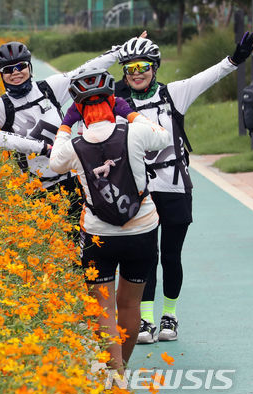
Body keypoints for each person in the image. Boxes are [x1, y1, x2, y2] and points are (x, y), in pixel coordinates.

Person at [114, 33, 253, 344]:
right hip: (140, 192)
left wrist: (236, 59)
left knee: (171, 255)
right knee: (146, 256)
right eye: (130, 67)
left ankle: (170, 316)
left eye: (143, 66)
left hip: (175, 187)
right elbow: (84, 89)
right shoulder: (118, 103)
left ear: (155, 67)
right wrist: (116, 53)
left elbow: (208, 76)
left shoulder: (173, 94)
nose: (137, 72)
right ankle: (145, 320)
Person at [49, 67, 170, 374]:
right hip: (141, 230)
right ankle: (122, 371)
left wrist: (66, 124)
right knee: (129, 307)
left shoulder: (74, 145)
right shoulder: (135, 132)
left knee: (104, 312)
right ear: (113, 100)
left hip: (98, 235)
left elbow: (54, 163)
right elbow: (164, 136)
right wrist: (129, 114)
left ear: (79, 107)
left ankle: (114, 379)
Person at [0, 41, 124, 219]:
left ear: (29, 67)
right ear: (1, 74)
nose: (15, 72)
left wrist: (120, 51)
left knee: (85, 237)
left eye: (21, 66)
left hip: (73, 181)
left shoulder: (49, 88)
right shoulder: (0, 107)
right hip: (36, 191)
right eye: (8, 70)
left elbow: (85, 70)